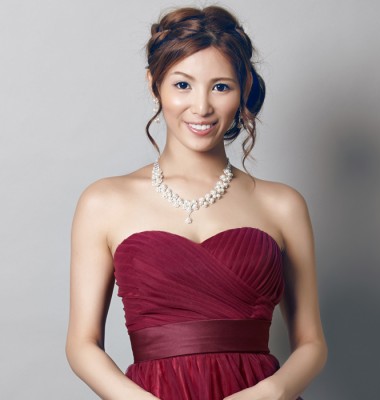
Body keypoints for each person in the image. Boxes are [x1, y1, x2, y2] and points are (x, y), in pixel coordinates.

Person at [65, 5, 327, 400]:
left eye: (220, 87)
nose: (201, 107)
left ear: (244, 87)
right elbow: (82, 345)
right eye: (182, 85)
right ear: (154, 84)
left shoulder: (283, 205)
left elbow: (312, 343)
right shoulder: (104, 202)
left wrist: (270, 393)